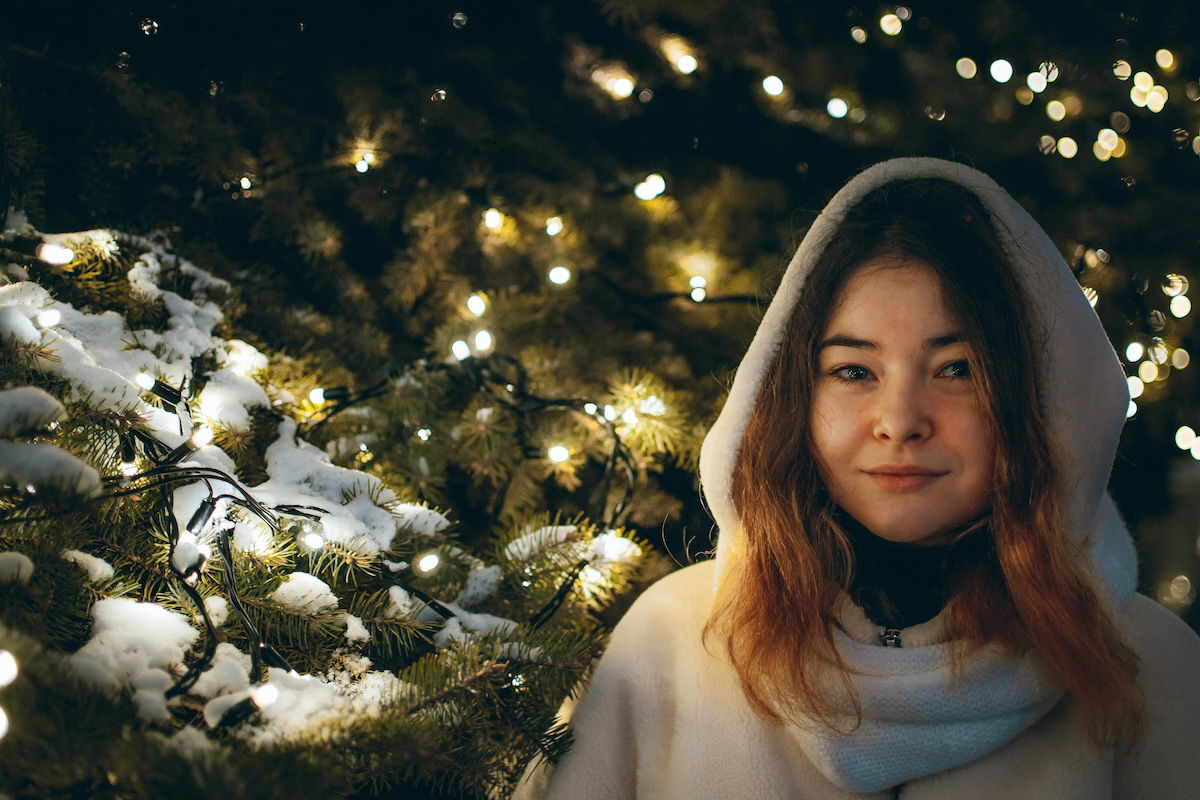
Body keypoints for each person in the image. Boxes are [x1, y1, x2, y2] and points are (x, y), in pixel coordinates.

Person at [526, 158, 1200, 799]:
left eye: (957, 369)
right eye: (853, 371)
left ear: (1033, 400)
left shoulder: (1144, 664)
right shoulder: (671, 644)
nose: (900, 421)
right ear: (793, 396)